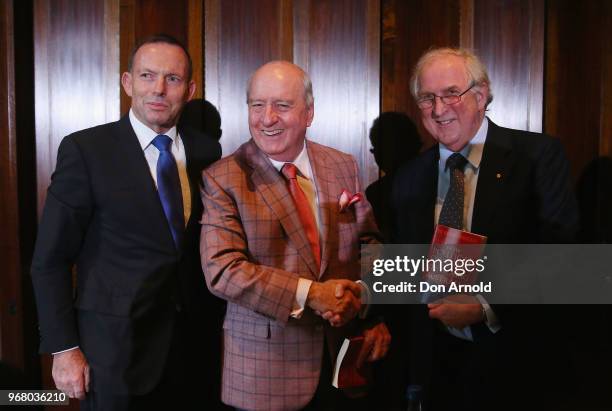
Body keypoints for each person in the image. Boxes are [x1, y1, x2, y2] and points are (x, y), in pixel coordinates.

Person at [30, 34, 223, 410]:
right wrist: (64, 348)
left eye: (173, 79)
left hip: (193, 349)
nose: (159, 89)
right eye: (147, 76)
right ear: (127, 82)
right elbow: (49, 259)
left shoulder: (207, 151)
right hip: (113, 351)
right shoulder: (87, 151)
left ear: (190, 88)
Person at [390, 48, 579, 411]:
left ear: (480, 95)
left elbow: (563, 255)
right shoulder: (408, 178)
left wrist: (484, 304)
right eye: (427, 98)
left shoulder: (537, 156)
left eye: (450, 93)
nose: (439, 109)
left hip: (517, 363)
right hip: (435, 372)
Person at [200, 61, 391, 410]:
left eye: (282, 106)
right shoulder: (223, 177)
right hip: (266, 380)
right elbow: (222, 271)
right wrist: (312, 294)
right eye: (257, 105)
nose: (267, 118)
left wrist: (363, 298)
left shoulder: (342, 164)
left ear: (309, 113)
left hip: (344, 366)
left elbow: (369, 244)